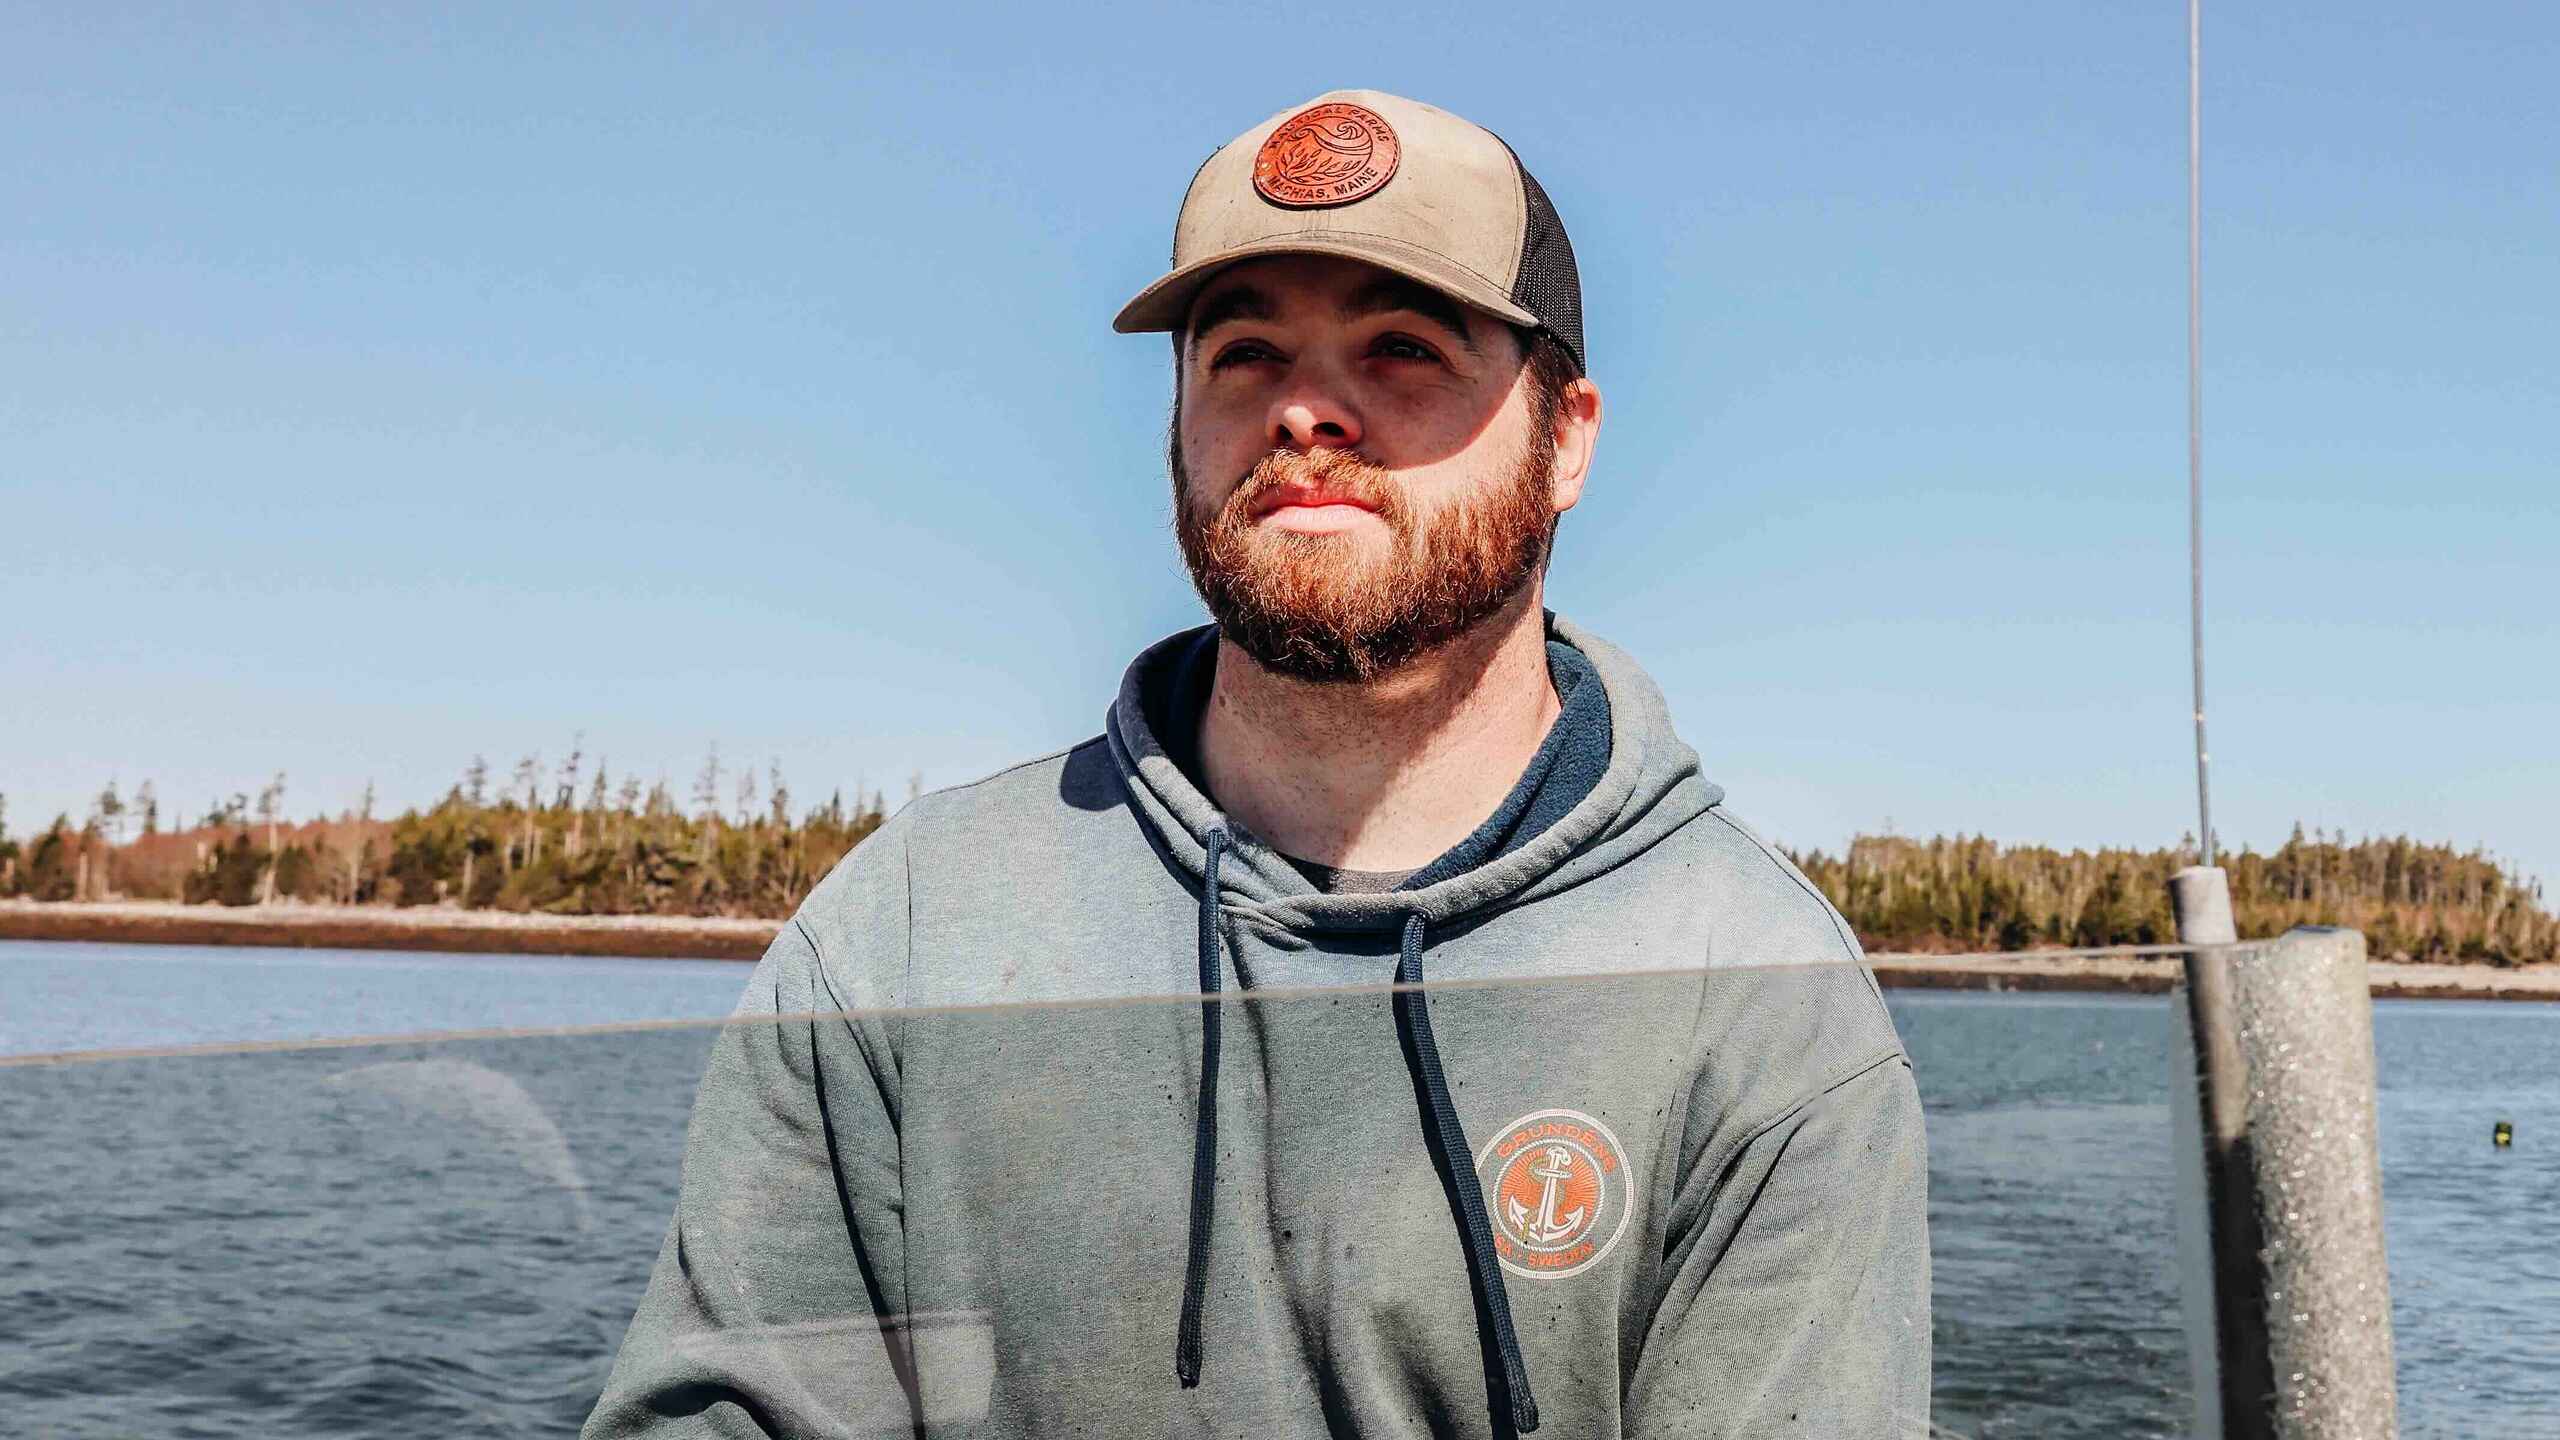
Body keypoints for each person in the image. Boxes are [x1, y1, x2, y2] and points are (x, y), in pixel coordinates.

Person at [585, 89, 1930, 1439]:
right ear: (1178, 419)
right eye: (1242, 354)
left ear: (1567, 436)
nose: (1305, 411)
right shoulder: (905, 934)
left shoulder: (1755, 997)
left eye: (1401, 345)